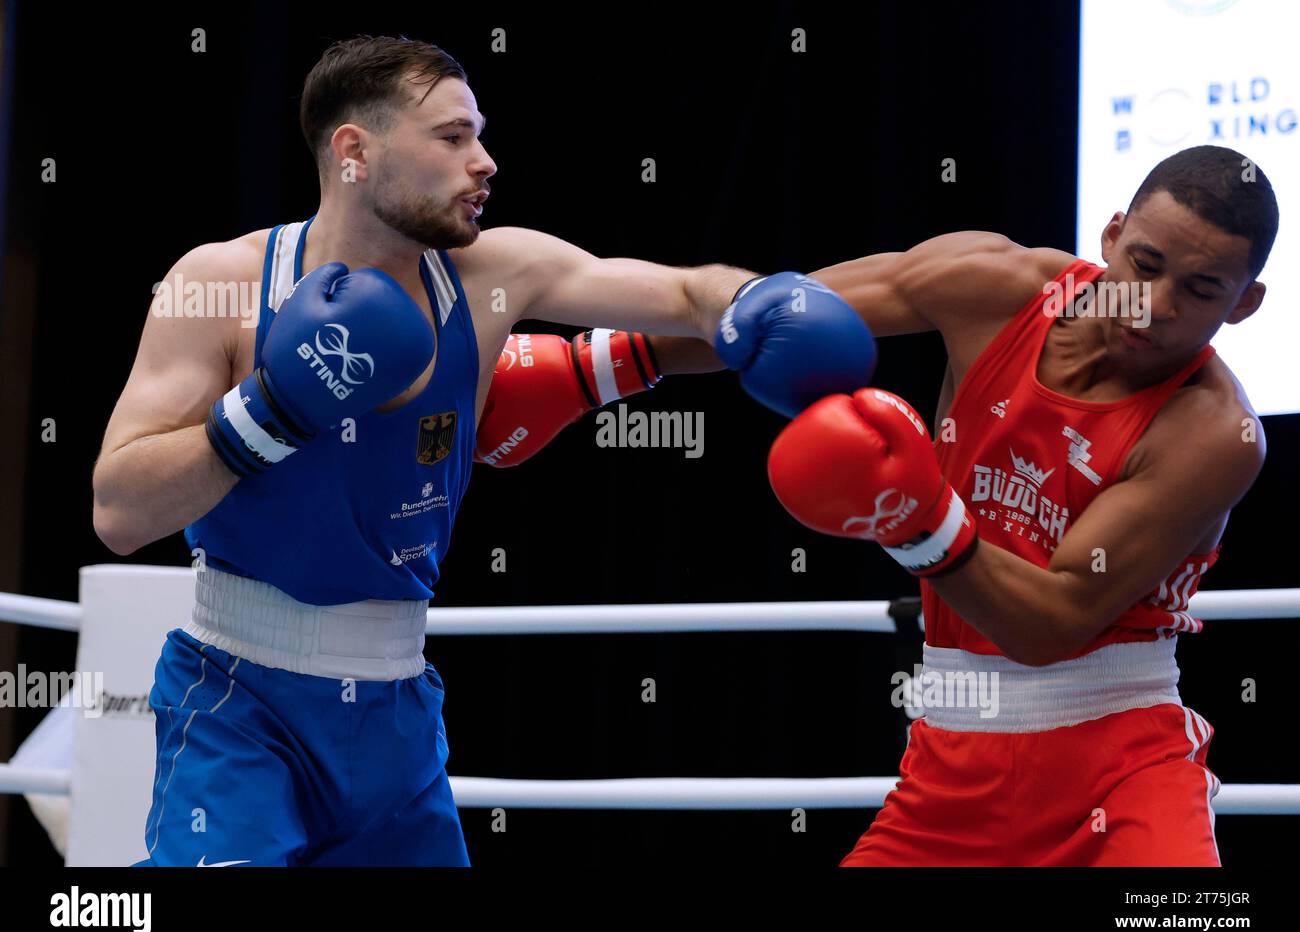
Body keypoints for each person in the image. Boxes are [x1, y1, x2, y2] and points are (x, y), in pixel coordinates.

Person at [90, 35, 874, 866]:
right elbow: (119, 512)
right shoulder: (224, 284)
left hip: (393, 709)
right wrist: (273, 409)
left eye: (481, 135)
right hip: (236, 698)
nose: (485, 162)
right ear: (355, 150)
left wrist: (753, 301)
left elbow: (684, 293)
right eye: (453, 137)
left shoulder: (496, 274)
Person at [770, 144, 1275, 865]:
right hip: (949, 767)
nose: (1155, 307)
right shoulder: (1000, 287)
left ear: (1245, 303)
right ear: (1111, 237)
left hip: (1124, 772)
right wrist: (607, 365)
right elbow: (767, 316)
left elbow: (1052, 623)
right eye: (1146, 265)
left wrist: (918, 521)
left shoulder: (1214, 431)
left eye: (1201, 290)